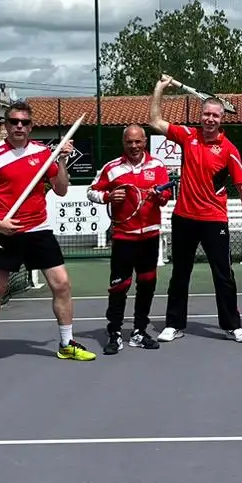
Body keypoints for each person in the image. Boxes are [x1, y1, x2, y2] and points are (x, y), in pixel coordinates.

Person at [0, 101, 96, 367]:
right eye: (14, 122)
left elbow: (61, 189)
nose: (19, 126)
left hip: (39, 230)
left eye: (24, 123)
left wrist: (62, 159)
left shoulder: (44, 154)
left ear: (31, 126)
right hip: (5, 231)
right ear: (5, 125)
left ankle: (66, 344)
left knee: (62, 284)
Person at [148, 75, 242, 343]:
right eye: (207, 114)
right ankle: (174, 324)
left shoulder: (229, 150)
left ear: (222, 119)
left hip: (214, 220)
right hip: (184, 219)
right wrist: (159, 89)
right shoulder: (188, 136)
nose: (210, 119)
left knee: (223, 275)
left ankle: (232, 325)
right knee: (180, 274)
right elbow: (154, 121)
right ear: (201, 115)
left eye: (215, 115)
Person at [88, 125, 171, 354]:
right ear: (123, 143)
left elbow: (166, 196)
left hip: (150, 236)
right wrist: (108, 196)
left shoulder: (158, 165)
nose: (134, 146)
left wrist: (160, 195)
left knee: (147, 283)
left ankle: (139, 331)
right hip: (124, 237)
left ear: (145, 141)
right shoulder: (111, 168)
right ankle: (114, 332)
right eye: (129, 142)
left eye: (138, 142)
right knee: (119, 286)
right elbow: (91, 191)